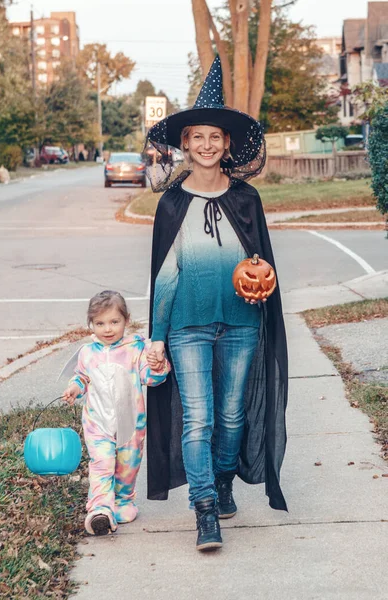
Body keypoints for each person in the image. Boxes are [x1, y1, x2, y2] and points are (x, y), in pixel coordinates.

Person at [145, 56, 289, 552]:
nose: (205, 145)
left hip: (243, 323)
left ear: (227, 143)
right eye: (196, 137)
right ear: (184, 144)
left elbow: (261, 262)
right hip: (187, 325)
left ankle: (224, 479)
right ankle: (205, 508)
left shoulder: (246, 199)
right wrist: (157, 337)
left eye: (215, 137)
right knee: (199, 419)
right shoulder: (171, 204)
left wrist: (264, 287)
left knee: (230, 418)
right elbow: (166, 277)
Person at [62, 290, 170, 536]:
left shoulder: (136, 349)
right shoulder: (87, 353)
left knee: (127, 466)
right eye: (100, 323)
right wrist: (74, 388)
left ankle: (123, 501)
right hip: (97, 423)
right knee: (101, 463)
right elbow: (81, 378)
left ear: (126, 320)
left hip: (130, 423)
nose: (107, 329)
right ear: (91, 324)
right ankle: (99, 510)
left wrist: (157, 365)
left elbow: (151, 378)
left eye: (114, 322)